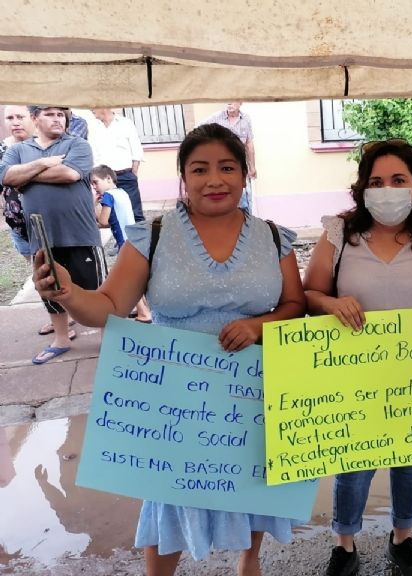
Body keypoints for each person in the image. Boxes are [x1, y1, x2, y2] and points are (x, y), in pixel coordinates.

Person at [33, 123, 306, 576]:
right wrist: (67, 292)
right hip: (174, 405)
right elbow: (108, 307)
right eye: (200, 169)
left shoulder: (275, 237)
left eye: (227, 167)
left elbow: (294, 305)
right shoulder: (153, 236)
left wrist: (259, 326)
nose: (214, 180)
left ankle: (249, 564)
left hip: (252, 397)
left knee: (252, 486)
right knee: (169, 504)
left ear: (244, 174)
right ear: (184, 177)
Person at [303, 138, 412, 576]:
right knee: (353, 463)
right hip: (354, 374)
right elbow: (310, 292)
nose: (386, 189)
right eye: (376, 181)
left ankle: (403, 539)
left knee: (410, 461)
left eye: (397, 179)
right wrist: (332, 304)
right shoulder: (339, 233)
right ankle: (345, 544)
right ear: (362, 188)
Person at [0, 105, 105, 364]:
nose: (58, 119)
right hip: (41, 236)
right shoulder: (18, 150)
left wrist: (26, 175)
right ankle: (61, 339)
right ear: (35, 119)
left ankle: (108, 339)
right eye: (50, 114)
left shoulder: (78, 144)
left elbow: (69, 173)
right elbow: (6, 177)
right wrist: (43, 163)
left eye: (61, 114)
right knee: (50, 288)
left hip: (80, 233)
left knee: (97, 289)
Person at [91, 164, 152, 323]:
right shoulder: (122, 192)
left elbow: (103, 221)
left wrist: (93, 204)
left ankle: (144, 313)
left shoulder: (108, 196)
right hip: (134, 239)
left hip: (124, 242)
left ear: (108, 178)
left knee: (128, 281)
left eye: (96, 182)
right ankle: (143, 307)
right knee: (135, 277)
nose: (94, 187)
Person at [91, 108, 145, 221]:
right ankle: (121, 239)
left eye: (93, 106)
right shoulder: (93, 127)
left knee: (135, 214)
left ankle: (141, 238)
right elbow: (94, 155)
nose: (91, 109)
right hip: (105, 180)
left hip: (125, 175)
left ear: (102, 106)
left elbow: (136, 151)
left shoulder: (125, 123)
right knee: (112, 216)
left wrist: (133, 174)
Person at [202, 102, 257, 212]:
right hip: (222, 166)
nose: (229, 103)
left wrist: (252, 167)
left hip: (240, 164)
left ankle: (245, 223)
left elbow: (249, 143)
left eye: (233, 100)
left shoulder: (246, 119)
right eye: (227, 100)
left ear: (240, 102)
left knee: (245, 198)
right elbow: (198, 131)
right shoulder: (216, 118)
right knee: (227, 194)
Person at [1, 105, 35, 261]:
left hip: (50, 222)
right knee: (39, 272)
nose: (15, 123)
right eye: (10, 118)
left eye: (20, 117)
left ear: (33, 117)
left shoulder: (46, 144)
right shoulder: (2, 148)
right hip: (18, 225)